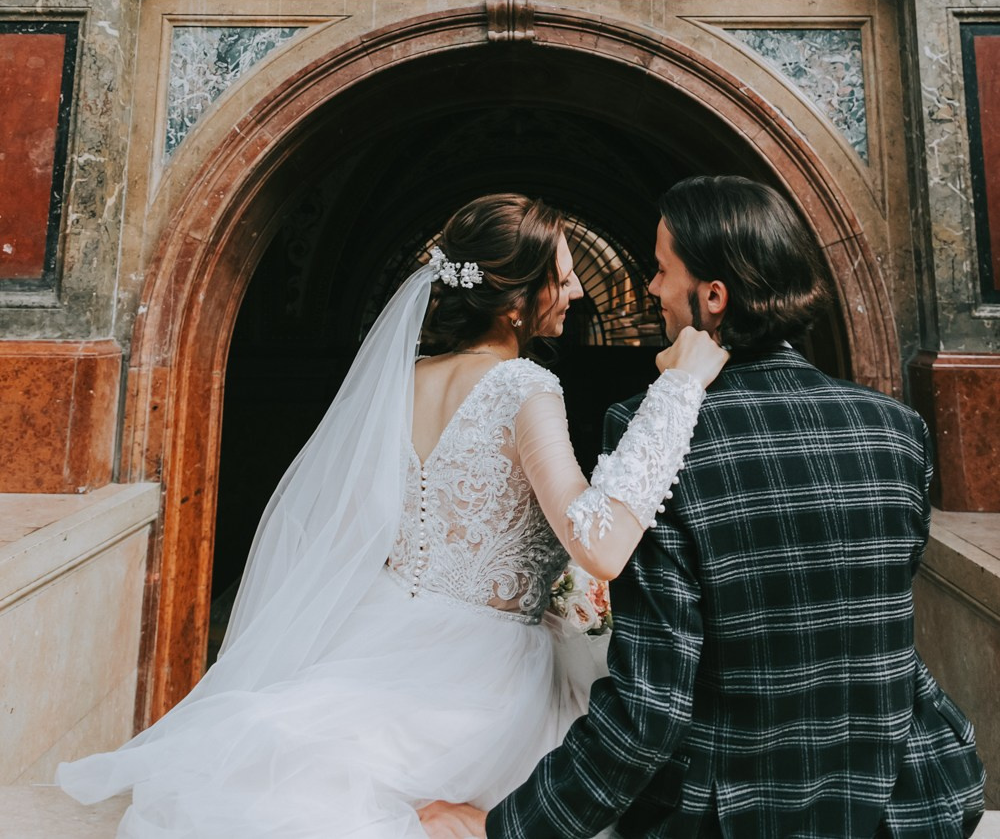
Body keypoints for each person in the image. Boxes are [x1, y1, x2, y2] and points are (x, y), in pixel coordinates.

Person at [57, 192, 727, 839]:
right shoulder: (525, 387)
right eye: (562, 277)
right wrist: (678, 391)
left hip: (383, 635)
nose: (578, 292)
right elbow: (598, 545)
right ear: (517, 300)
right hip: (482, 672)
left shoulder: (405, 380)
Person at [423, 176, 986, 839]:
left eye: (661, 272)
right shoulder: (898, 428)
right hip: (909, 804)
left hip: (734, 815)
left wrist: (504, 827)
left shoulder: (654, 438)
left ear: (713, 298)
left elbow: (649, 716)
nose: (651, 290)